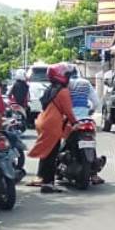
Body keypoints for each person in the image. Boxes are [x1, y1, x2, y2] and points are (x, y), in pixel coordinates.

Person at [28, 63, 77, 193]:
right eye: (67, 76)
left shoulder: (50, 88)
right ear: (61, 76)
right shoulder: (63, 91)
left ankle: (42, 178)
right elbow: (68, 111)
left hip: (43, 121)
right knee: (51, 154)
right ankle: (48, 183)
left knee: (46, 152)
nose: (68, 79)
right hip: (52, 125)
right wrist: (75, 123)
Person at [68, 69, 104, 185]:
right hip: (86, 119)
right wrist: (90, 110)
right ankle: (94, 175)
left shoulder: (67, 84)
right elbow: (97, 102)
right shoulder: (86, 83)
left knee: (62, 141)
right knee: (91, 142)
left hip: (71, 119)